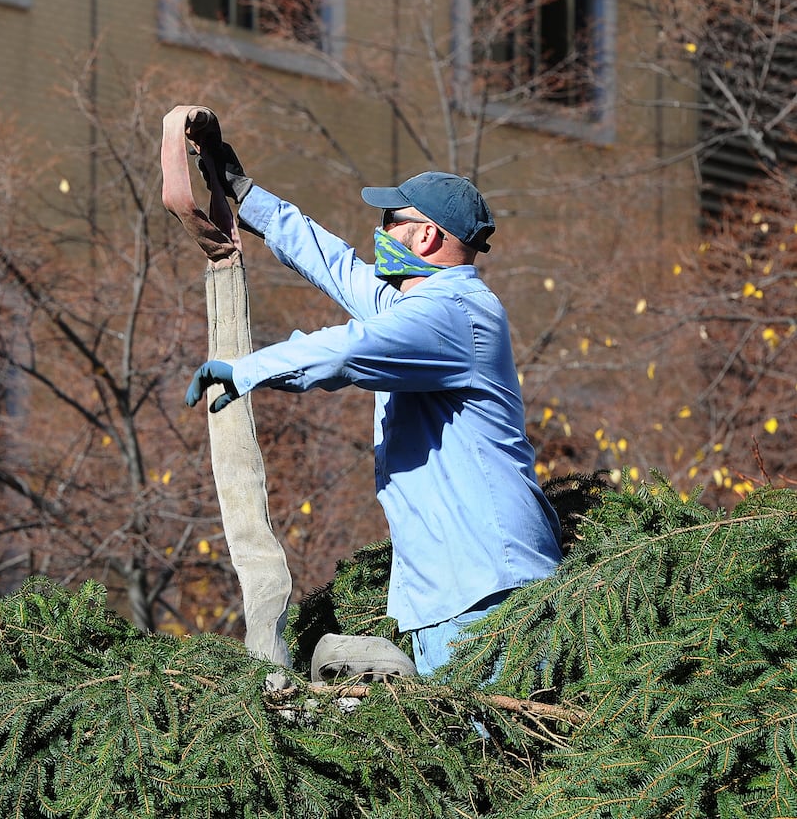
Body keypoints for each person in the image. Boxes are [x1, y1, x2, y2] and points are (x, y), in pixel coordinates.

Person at [184, 146, 562, 676]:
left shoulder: (451, 315)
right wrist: (244, 195)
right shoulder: (420, 306)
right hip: (457, 591)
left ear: (426, 236)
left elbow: (347, 351)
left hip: (487, 591)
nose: (379, 233)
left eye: (390, 221)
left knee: (491, 749)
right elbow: (335, 265)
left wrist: (246, 370)